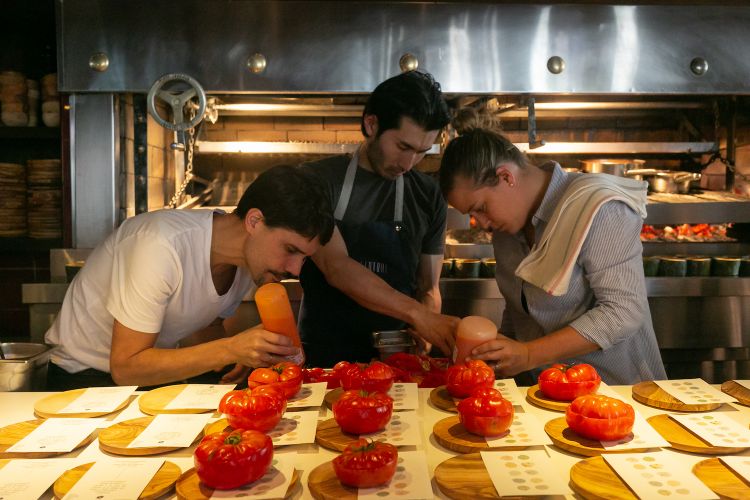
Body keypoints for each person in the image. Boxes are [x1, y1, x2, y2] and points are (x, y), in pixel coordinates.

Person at [45, 165, 334, 390]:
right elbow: (126, 367)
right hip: (83, 380)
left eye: (303, 258)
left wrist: (241, 356)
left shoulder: (251, 264)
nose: (295, 269)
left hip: (147, 379)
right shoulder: (159, 245)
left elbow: (205, 322)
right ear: (254, 221)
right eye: (290, 250)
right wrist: (230, 348)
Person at [438, 110, 666, 385]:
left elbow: (624, 311)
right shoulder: (508, 228)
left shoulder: (597, 207)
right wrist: (501, 355)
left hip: (618, 393)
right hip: (547, 393)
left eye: (481, 209)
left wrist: (528, 354)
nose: (482, 223)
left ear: (506, 177)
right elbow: (520, 308)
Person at [298, 70, 459, 367]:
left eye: (422, 152)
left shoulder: (428, 195)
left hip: (396, 355)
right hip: (323, 355)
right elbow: (337, 267)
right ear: (371, 124)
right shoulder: (317, 182)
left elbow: (428, 287)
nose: (409, 164)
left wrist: (426, 325)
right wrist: (418, 315)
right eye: (403, 147)